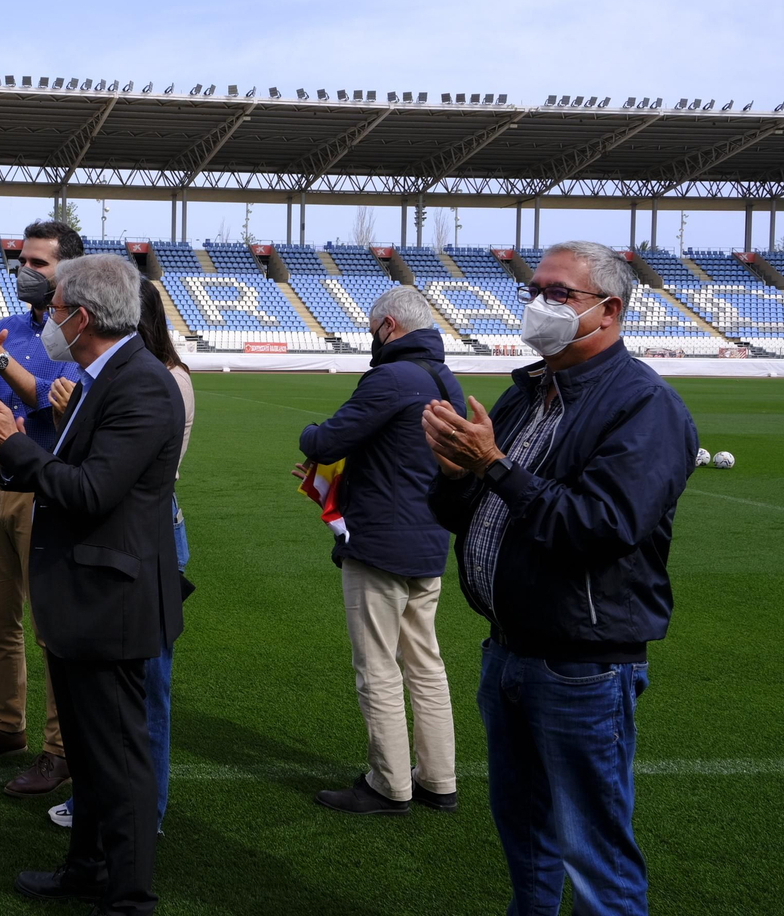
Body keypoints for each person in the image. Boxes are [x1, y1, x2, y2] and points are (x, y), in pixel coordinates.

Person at [422, 240, 697, 916]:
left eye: (558, 293)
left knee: (595, 855)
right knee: (527, 835)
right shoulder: (529, 394)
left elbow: (597, 528)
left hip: (582, 665)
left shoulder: (645, 407)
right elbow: (470, 512)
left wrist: (494, 466)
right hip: (510, 651)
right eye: (534, 290)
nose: (540, 304)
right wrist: (458, 473)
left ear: (609, 310)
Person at [0, 254, 183, 916]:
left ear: (81, 317)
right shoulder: (100, 376)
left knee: (119, 762)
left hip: (110, 604)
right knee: (89, 756)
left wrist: (12, 445)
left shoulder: (141, 385)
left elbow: (90, 492)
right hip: (83, 598)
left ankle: (130, 896)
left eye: (56, 308)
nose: (48, 318)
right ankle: (87, 868)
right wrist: (14, 458)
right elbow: (68, 467)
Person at [293, 285, 465, 815]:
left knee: (379, 667)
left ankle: (389, 784)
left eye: (373, 331)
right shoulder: (446, 381)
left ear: (388, 326)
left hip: (382, 543)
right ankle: (439, 779)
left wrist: (309, 431)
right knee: (426, 663)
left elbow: (325, 442)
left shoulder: (391, 377)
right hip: (431, 536)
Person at [49, 279, 195, 833]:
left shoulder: (160, 382)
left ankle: (142, 813)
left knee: (144, 692)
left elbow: (119, 474)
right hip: (118, 532)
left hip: (144, 536)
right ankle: (101, 804)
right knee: (102, 692)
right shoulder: (117, 377)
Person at [0, 219, 85, 796]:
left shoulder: (78, 334)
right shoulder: (4, 328)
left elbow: (67, 412)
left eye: (39, 263)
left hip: (44, 490)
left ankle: (59, 750)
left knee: (52, 626)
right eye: (22, 261)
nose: (25, 272)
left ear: (68, 272)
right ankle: (8, 727)